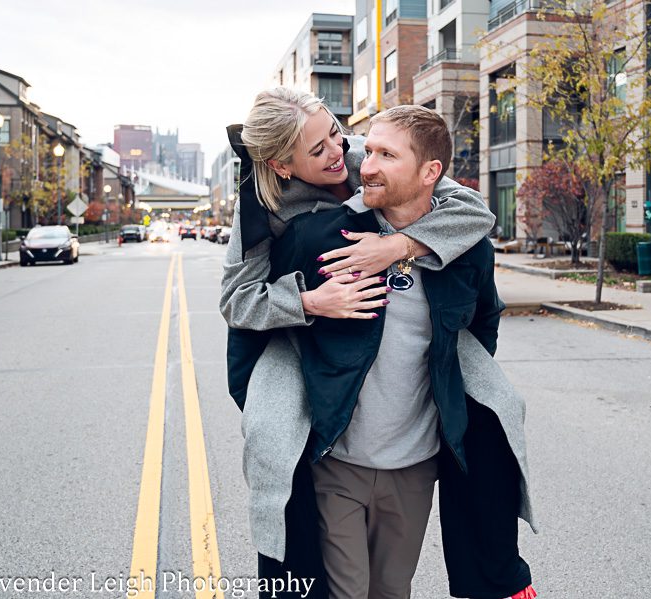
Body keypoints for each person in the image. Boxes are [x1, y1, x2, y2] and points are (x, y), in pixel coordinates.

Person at [220, 89, 525, 597]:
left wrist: (398, 246)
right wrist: (312, 303)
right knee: (279, 445)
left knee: (490, 420)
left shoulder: (365, 155)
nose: (341, 154)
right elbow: (236, 300)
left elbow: (472, 212)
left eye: (335, 132)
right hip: (305, 325)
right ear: (283, 165)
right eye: (318, 151)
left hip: (404, 444)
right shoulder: (263, 204)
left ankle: (496, 570)